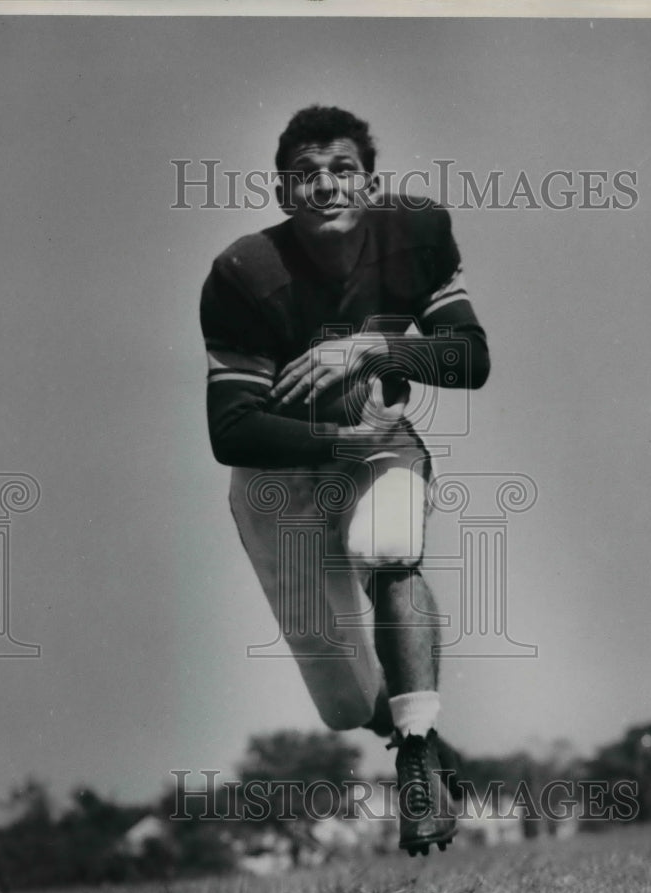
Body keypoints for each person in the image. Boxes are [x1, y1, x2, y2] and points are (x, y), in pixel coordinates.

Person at [199, 106, 490, 855]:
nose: (325, 186)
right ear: (282, 192)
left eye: (341, 170)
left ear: (369, 182)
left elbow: (469, 358)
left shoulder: (414, 235)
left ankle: (418, 756)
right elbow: (230, 432)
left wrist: (371, 351)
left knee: (390, 547)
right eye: (305, 175)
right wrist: (331, 437)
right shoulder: (244, 274)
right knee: (341, 700)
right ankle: (412, 733)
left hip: (373, 443)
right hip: (280, 476)